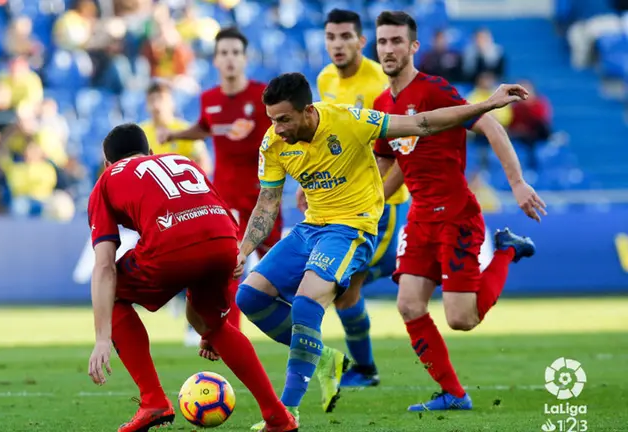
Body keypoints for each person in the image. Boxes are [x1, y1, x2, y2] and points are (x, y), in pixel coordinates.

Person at [234, 71, 532, 427]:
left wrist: (485, 104)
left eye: (284, 119)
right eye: (272, 120)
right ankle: (325, 357)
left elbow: (421, 124)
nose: (277, 128)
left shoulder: (350, 120)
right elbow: (267, 204)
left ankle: (286, 413)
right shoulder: (273, 143)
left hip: (351, 229)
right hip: (311, 227)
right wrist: (244, 248)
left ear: (307, 111)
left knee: (306, 303)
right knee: (249, 298)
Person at [371, 11, 545, 411]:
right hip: (419, 218)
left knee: (461, 319)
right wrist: (370, 203)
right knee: (409, 305)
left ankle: (506, 249)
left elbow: (490, 125)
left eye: (397, 41)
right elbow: (396, 162)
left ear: (414, 47)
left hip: (456, 215)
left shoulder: (433, 90)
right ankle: (454, 394)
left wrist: (517, 183)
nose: (389, 49)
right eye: (382, 41)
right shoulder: (383, 105)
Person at [86, 123, 297, 432]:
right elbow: (217, 215)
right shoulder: (183, 160)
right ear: (151, 153)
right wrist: (233, 258)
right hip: (225, 240)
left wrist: (102, 337)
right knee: (213, 325)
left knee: (113, 291)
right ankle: (278, 417)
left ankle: (153, 401)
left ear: (107, 163)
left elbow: (104, 266)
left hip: (172, 245)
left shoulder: (106, 181)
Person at [299, 8, 411, 388]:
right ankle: (364, 369)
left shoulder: (381, 80)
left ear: (362, 41)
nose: (337, 44)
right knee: (344, 289)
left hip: (382, 205)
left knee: (346, 289)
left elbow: (402, 154)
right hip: (343, 202)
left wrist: (376, 196)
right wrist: (308, 180)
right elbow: (324, 139)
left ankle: (364, 369)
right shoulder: (325, 78)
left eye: (346, 36)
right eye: (331, 37)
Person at [157, 27, 281, 332]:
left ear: (245, 58)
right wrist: (175, 134)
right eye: (223, 53)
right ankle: (227, 332)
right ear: (215, 60)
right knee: (228, 268)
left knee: (275, 269)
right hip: (226, 197)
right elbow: (205, 127)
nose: (230, 59)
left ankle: (291, 327)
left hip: (263, 194)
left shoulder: (263, 95)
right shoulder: (209, 98)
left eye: (235, 53)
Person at [140, 79, 214, 347]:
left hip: (185, 211)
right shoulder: (141, 133)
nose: (157, 104)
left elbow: (203, 165)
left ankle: (192, 321)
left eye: (161, 98)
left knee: (193, 268)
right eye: (152, 99)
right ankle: (174, 294)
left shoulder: (183, 131)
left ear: (171, 101)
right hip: (152, 215)